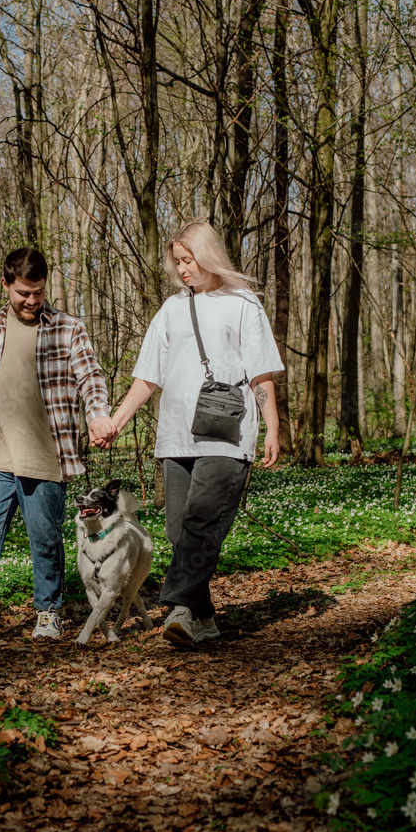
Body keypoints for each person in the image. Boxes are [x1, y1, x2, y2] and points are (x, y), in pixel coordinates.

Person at [100, 221, 284, 647]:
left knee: (201, 520)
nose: (183, 269)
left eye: (189, 259)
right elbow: (148, 377)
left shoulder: (242, 303)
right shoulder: (171, 309)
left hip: (227, 432)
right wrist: (116, 420)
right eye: (177, 262)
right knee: (177, 529)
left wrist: (272, 426)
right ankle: (201, 618)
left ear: (209, 254)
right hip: (176, 433)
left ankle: (178, 605)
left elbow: (261, 371)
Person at [0, 247, 115, 648]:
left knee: (45, 537)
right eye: (23, 294)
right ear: (5, 284)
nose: (31, 301)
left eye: (39, 293)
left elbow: (91, 377)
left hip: (47, 455)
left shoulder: (67, 328)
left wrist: (98, 413)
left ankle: (49, 613)